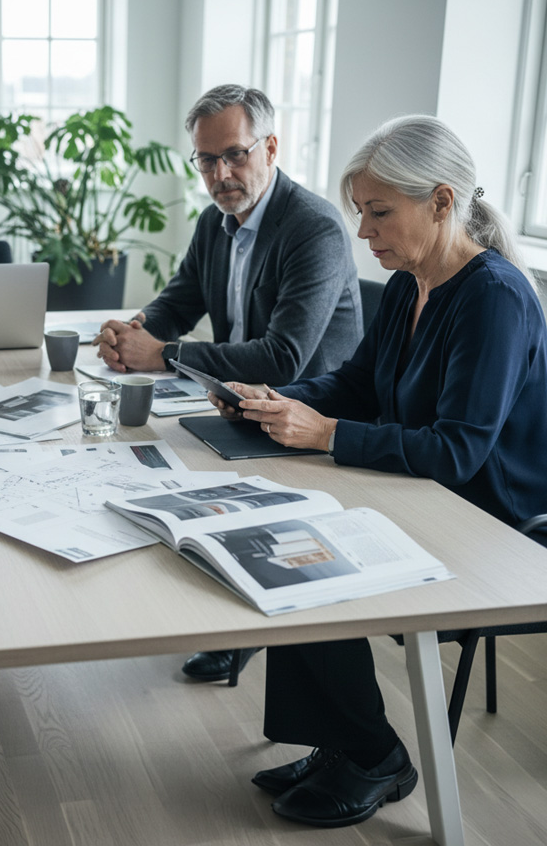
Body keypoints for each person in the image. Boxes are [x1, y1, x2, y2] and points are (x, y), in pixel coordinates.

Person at [210, 115, 547, 828]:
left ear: (443, 202)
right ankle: (342, 743)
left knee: (310, 560)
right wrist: (279, 401)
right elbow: (355, 385)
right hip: (425, 488)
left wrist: (327, 433)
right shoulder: (406, 284)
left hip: (492, 518)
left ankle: (373, 756)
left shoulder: (495, 296)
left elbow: (458, 451)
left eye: (379, 212)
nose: (364, 232)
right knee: (286, 532)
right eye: (362, 212)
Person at [93, 84, 363, 683]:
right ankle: (211, 615)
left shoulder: (312, 227)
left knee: (161, 469)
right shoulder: (216, 223)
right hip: (232, 404)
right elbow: (180, 300)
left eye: (235, 155)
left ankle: (236, 622)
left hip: (302, 419)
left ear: (270, 146)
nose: (222, 173)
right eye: (207, 160)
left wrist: (161, 355)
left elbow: (283, 357)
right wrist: (134, 331)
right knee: (123, 460)